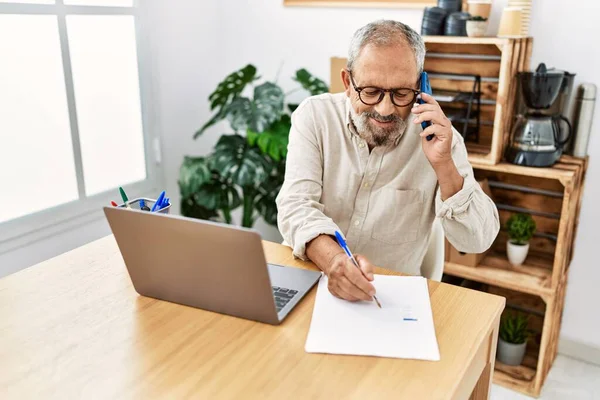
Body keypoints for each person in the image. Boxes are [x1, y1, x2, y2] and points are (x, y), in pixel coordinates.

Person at [276, 20, 499, 303]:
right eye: (370, 92)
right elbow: (296, 205)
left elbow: (477, 241)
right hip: (309, 277)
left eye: (401, 93)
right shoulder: (315, 117)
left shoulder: (440, 139)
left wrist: (444, 165)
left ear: (420, 87)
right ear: (348, 82)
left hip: (387, 299)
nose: (385, 109)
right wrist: (334, 262)